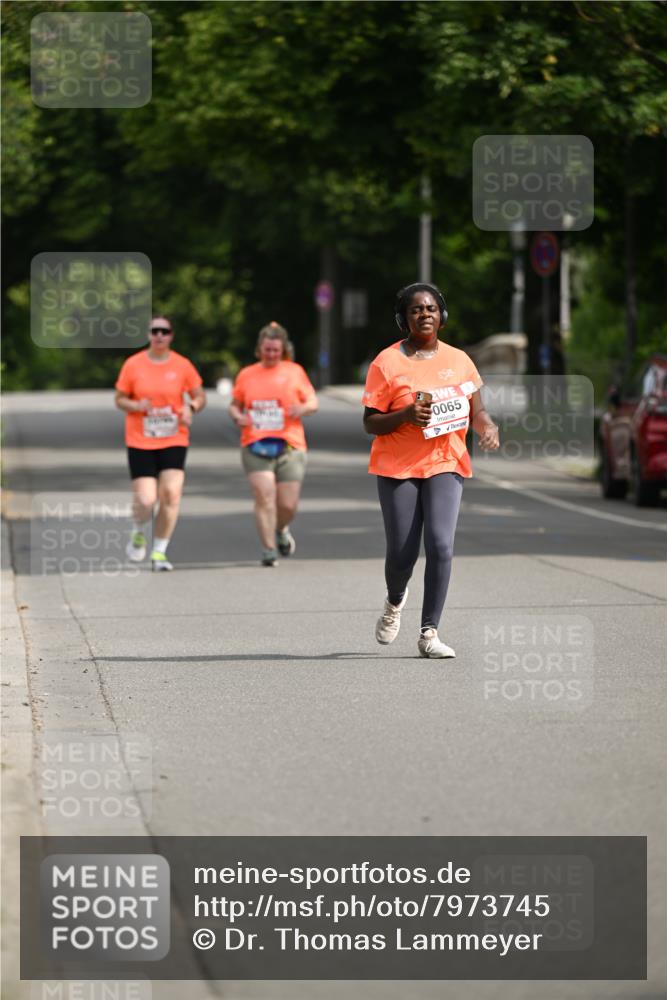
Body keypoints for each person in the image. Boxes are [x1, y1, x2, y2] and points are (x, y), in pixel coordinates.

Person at [362, 283, 500, 658]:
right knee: (402, 554)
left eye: (431, 309)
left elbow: (478, 408)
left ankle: (429, 632)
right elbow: (370, 422)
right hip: (398, 466)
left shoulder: (460, 360)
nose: (424, 314)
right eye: (416, 310)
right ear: (404, 320)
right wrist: (405, 415)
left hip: (445, 461)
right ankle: (394, 601)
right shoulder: (386, 363)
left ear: (442, 316)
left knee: (440, 544)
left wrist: (486, 425)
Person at [115, 315, 206, 571]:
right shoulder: (133, 365)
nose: (159, 336)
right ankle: (138, 529)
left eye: (164, 331)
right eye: (154, 331)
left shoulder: (182, 365)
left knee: (171, 494)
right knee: (145, 500)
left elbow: (200, 395)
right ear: (148, 334)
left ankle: (159, 552)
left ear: (171, 335)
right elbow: (119, 398)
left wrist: (191, 406)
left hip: (173, 437)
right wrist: (135, 405)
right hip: (141, 440)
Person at [229, 321, 318, 566]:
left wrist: (302, 408)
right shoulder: (247, 374)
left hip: (290, 445)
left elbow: (313, 402)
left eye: (275, 350)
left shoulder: (294, 372)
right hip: (255, 444)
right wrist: (238, 417)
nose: (271, 354)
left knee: (288, 505)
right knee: (264, 496)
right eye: (267, 350)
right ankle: (268, 549)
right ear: (259, 349)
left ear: (283, 350)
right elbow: (234, 406)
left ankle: (280, 529)